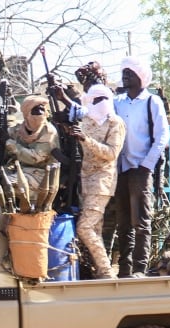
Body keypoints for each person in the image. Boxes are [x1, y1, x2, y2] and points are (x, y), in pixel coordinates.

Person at [114, 55, 170, 278]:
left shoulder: (152, 102)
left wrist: (147, 165)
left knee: (141, 221)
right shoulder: (117, 102)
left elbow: (163, 136)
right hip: (121, 168)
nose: (125, 75)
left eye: (130, 72)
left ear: (141, 77)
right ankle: (124, 269)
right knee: (123, 222)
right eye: (124, 72)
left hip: (141, 167)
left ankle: (140, 268)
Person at [68, 84, 125, 279]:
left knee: (84, 227)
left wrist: (85, 139)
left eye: (103, 99)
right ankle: (100, 271)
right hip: (84, 181)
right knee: (94, 229)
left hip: (102, 182)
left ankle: (107, 271)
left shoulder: (114, 123)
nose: (100, 103)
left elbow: (111, 153)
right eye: (96, 99)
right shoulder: (86, 120)